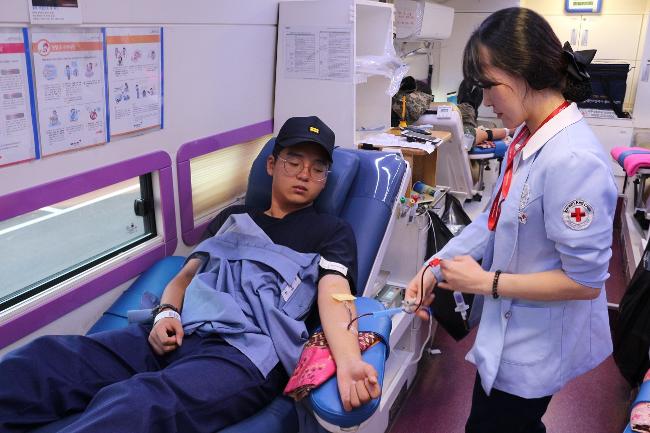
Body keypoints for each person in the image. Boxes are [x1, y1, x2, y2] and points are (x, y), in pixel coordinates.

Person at [0, 116, 380, 433]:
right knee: (48, 359)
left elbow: (336, 293)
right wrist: (166, 314)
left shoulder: (331, 231)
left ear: (326, 179)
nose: (304, 175)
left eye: (317, 169)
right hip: (182, 330)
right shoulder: (231, 219)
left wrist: (348, 361)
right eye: (293, 162)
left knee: (138, 403)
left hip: (244, 352)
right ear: (271, 165)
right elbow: (185, 277)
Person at [405, 7, 616, 433]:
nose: (484, 100)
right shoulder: (526, 136)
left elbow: (585, 283)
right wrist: (436, 266)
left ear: (525, 72)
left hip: (539, 345)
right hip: (513, 330)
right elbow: (493, 219)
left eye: (488, 86)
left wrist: (485, 283)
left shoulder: (573, 160)